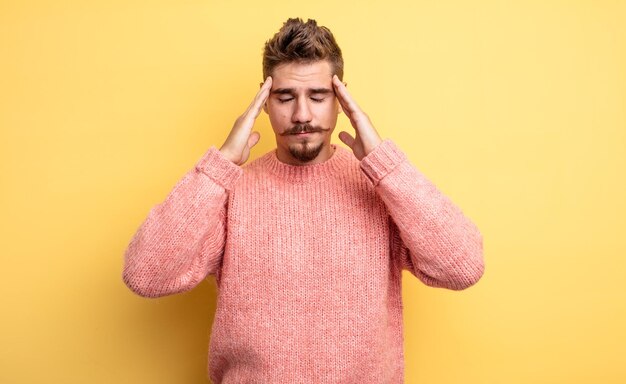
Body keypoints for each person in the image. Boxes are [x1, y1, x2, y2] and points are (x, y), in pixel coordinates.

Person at [122, 17, 485, 383]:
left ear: (341, 100)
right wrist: (220, 166)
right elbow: (146, 276)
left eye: (318, 96)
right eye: (284, 97)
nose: (301, 115)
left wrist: (385, 165)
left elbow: (463, 267)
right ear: (264, 103)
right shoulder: (229, 190)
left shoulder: (382, 189)